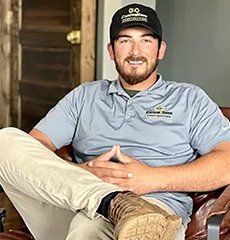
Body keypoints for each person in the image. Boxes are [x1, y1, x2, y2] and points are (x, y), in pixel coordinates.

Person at [0, 3, 230, 240]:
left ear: (161, 49)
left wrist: (151, 179)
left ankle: (115, 206)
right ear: (111, 51)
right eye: (125, 41)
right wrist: (84, 174)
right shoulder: (85, 96)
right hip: (74, 205)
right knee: (5, 141)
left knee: (90, 229)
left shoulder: (189, 99)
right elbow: (33, 150)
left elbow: (227, 160)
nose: (135, 51)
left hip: (154, 212)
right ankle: (108, 201)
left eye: (146, 41)